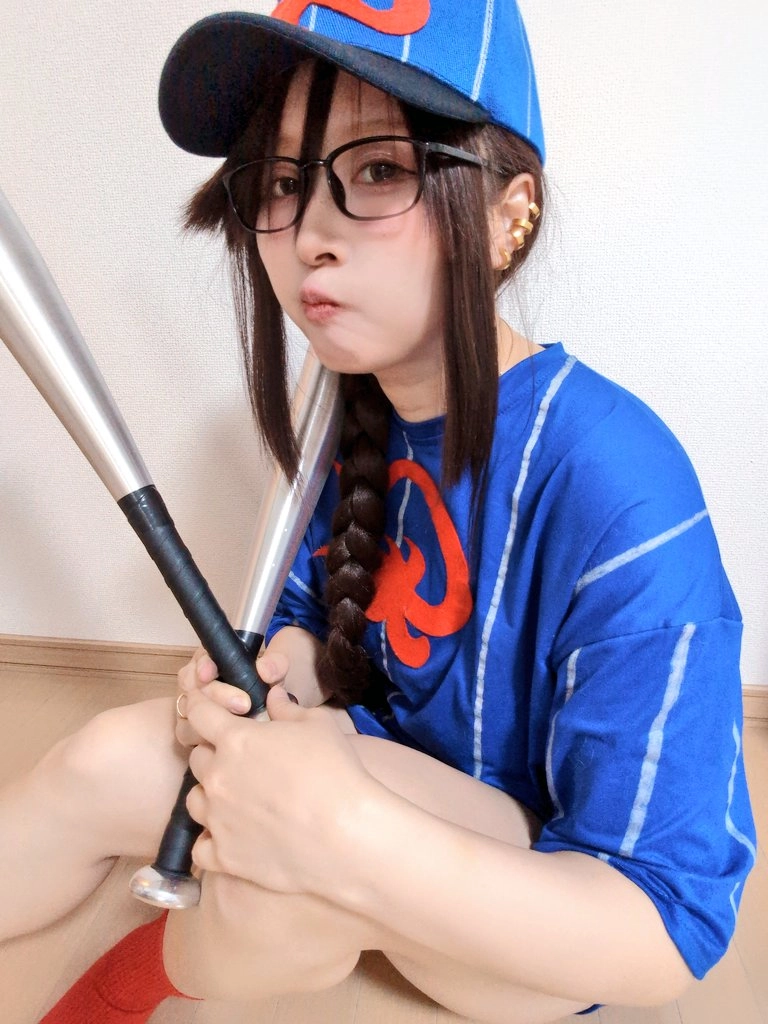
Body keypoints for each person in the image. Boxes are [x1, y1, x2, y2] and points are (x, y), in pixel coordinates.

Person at [1, 3, 756, 1023]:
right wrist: (289, 671)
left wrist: (346, 832)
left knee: (283, 893)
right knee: (105, 759)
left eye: (380, 169)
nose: (310, 236)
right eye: (282, 182)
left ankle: (146, 972)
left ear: (508, 214)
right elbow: (317, 632)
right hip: (370, 792)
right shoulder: (341, 407)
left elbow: (667, 924)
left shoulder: (618, 474)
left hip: (529, 935)